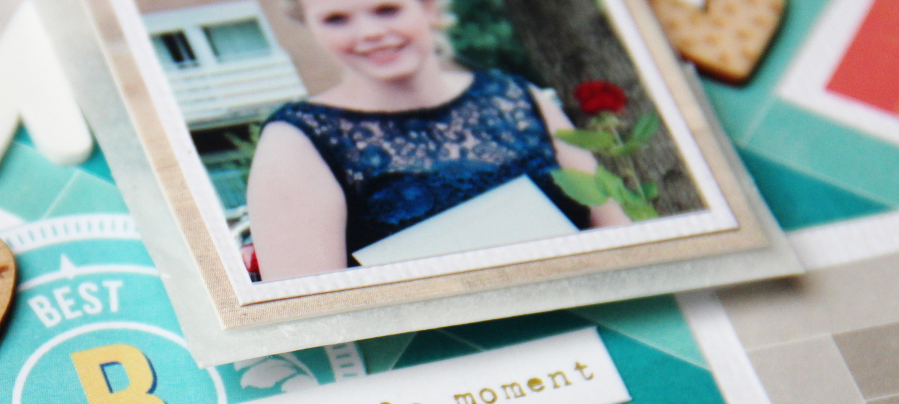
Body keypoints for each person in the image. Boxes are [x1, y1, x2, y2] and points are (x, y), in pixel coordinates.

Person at [246, 0, 630, 281]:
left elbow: (618, 234)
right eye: (336, 19)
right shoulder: (295, 141)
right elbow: (311, 315)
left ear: (428, 7)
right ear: (311, 29)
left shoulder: (518, 97)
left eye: (387, 9)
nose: (369, 33)